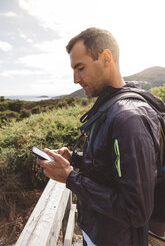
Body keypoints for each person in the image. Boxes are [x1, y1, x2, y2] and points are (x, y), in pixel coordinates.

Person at [37, 28, 165, 246]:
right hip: (97, 232)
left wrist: (70, 177)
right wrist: (74, 159)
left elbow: (135, 210)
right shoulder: (109, 105)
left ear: (106, 58)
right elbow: (112, 167)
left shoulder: (128, 118)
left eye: (81, 68)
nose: (75, 79)